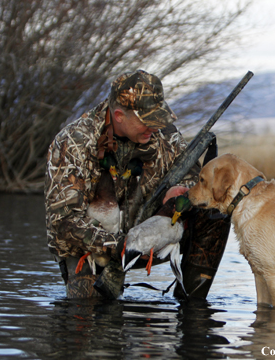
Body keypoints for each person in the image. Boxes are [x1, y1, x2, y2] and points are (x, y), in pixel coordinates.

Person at [44, 70, 200, 298]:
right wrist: (123, 246)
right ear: (118, 115)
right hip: (95, 249)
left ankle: (192, 306)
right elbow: (64, 224)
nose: (155, 127)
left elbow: (195, 177)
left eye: (158, 119)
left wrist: (180, 194)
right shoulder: (73, 143)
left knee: (214, 214)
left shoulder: (165, 135)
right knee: (89, 312)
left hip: (153, 237)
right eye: (148, 121)